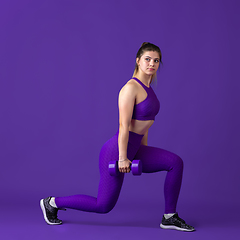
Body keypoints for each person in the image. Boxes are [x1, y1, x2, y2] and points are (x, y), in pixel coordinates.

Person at [40, 42, 195, 232]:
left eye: (156, 61)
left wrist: (143, 148)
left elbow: (144, 123)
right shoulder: (130, 88)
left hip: (135, 148)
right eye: (147, 59)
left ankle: (169, 217)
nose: (151, 64)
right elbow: (124, 125)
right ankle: (52, 203)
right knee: (103, 206)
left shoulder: (149, 89)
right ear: (138, 61)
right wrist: (122, 157)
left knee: (175, 163)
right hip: (116, 151)